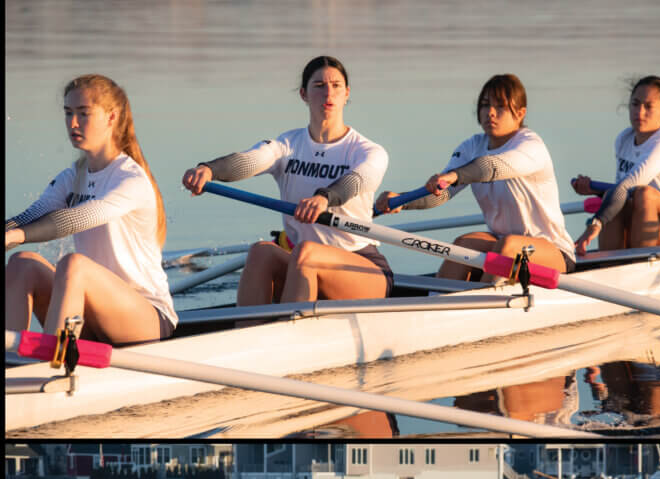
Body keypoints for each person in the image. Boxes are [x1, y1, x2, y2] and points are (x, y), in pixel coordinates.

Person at [182, 55, 393, 308]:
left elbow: (357, 181)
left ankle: (289, 333)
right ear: (304, 95)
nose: (329, 93)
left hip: (361, 268)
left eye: (336, 86)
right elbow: (251, 160)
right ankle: (246, 331)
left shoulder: (368, 151)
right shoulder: (287, 145)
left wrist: (324, 198)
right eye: (319, 86)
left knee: (306, 252)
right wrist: (209, 170)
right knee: (261, 251)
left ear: (347, 93)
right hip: (304, 262)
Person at [5, 73, 177, 344]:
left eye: (83, 113)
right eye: (68, 113)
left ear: (111, 117)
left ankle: (53, 364)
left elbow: (80, 218)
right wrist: (9, 232)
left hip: (148, 318)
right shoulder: (71, 176)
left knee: (74, 265)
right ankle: (11, 365)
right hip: (91, 311)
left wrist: (16, 236)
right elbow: (28, 218)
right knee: (21, 263)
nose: (73, 123)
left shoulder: (131, 180)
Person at [376, 72, 576, 283]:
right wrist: (403, 201)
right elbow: (440, 194)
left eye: (500, 106)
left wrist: (455, 175)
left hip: (552, 252)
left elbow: (491, 167)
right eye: (485, 105)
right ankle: (435, 301)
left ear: (520, 113)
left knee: (509, 247)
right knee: (463, 244)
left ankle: (482, 303)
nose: (490, 112)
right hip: (501, 244)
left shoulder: (531, 146)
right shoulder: (472, 146)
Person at [572, 75, 660, 255]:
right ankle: (607, 263)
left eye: (648, 106)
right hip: (639, 219)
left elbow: (627, 187)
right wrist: (595, 190)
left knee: (643, 194)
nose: (640, 112)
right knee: (612, 198)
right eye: (635, 104)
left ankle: (640, 261)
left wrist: (596, 223)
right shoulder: (624, 139)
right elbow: (622, 193)